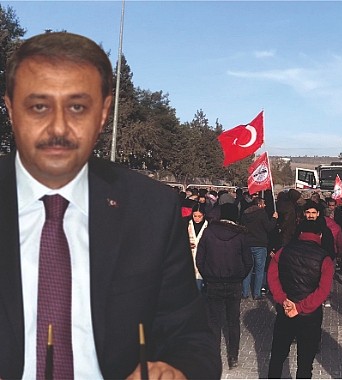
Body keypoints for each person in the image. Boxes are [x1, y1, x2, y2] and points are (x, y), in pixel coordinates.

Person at [0, 32, 216, 379]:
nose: (58, 127)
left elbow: (190, 336)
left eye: (77, 107)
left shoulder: (151, 209)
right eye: (39, 106)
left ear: (103, 113)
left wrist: (176, 370)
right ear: (10, 109)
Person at [267, 220, 334, 378]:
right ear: (320, 235)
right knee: (305, 362)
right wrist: (301, 307)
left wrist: (283, 300)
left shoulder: (283, 251)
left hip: (285, 310)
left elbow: (272, 278)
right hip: (310, 316)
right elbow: (323, 291)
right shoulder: (325, 258)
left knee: (277, 356)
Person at [196, 203, 253, 370]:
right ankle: (233, 356)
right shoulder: (241, 235)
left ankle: (213, 356)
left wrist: (208, 274)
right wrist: (239, 275)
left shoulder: (208, 232)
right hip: (234, 283)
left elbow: (200, 259)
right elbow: (248, 261)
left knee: (214, 321)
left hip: (213, 282)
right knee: (233, 321)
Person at [240, 196, 278, 300]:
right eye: (264, 203)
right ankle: (257, 293)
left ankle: (244, 292)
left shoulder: (245, 214)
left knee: (247, 269)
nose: (265, 205)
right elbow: (269, 227)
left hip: (247, 244)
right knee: (259, 270)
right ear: (259, 204)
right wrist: (274, 218)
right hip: (260, 244)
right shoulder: (262, 213)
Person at [188, 203, 209, 291]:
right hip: (189, 255)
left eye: (199, 216)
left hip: (202, 256)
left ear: (203, 215)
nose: (196, 218)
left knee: (199, 282)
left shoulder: (208, 226)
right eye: (195, 216)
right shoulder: (187, 224)